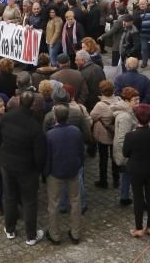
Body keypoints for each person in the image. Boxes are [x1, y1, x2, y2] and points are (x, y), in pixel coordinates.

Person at [0, 91, 47, 246]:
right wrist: (38, 169)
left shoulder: (6, 117)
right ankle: (31, 236)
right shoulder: (35, 126)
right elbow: (40, 154)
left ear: (18, 101)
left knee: (10, 197)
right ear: (32, 105)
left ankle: (10, 229)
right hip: (27, 169)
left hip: (7, 164)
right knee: (29, 201)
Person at [44, 104, 84, 245]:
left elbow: (47, 157)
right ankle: (75, 233)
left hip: (55, 173)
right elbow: (81, 151)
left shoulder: (50, 135)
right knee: (75, 201)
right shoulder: (76, 131)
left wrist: (46, 173)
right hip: (73, 171)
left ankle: (55, 235)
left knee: (53, 204)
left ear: (55, 117)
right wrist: (79, 165)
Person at [122, 103, 150, 238]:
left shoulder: (130, 136)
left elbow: (126, 153)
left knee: (138, 197)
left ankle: (138, 228)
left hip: (136, 169)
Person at [89, 80, 119, 189]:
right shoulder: (118, 100)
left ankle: (103, 181)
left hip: (103, 136)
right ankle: (116, 180)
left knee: (103, 158)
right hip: (115, 133)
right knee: (115, 157)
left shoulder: (100, 105)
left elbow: (92, 117)